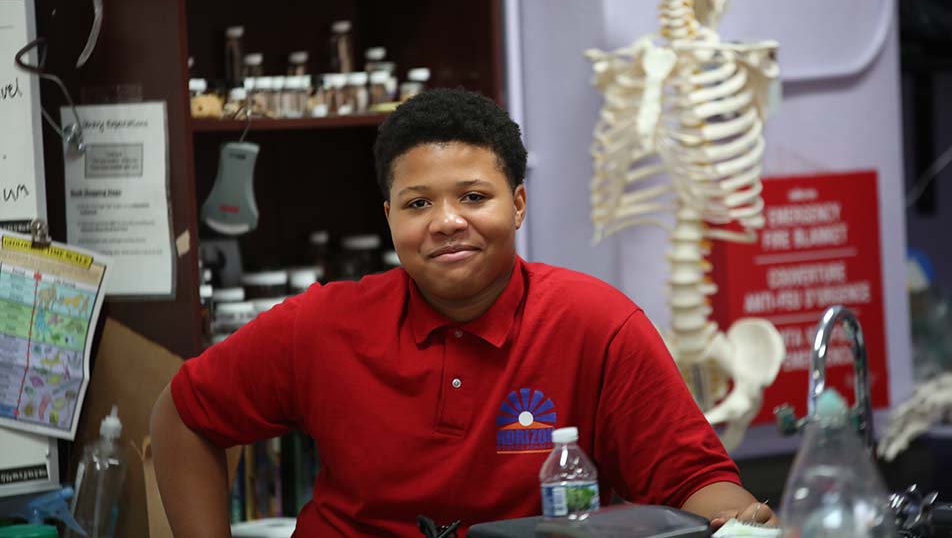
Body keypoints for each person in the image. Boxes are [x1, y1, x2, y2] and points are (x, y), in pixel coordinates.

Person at [150, 88, 779, 537]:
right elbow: (184, 415)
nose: (447, 222)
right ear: (390, 217)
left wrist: (740, 522)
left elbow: (693, 476)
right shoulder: (322, 325)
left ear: (519, 204)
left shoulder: (595, 323)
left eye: (474, 196)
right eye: (418, 202)